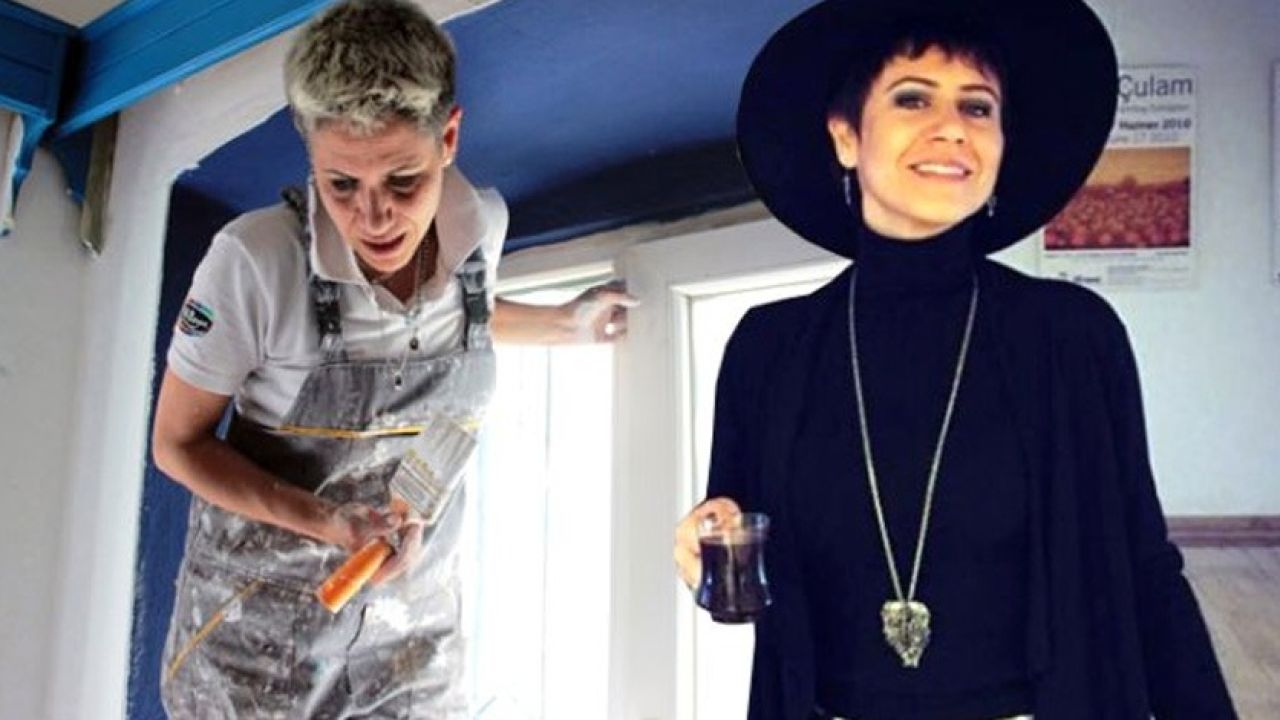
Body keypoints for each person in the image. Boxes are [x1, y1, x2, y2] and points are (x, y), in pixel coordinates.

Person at [673, 1, 1236, 718]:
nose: (952, 128)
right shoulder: (768, 348)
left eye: (978, 106)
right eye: (913, 98)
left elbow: (1146, 569)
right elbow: (736, 556)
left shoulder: (1073, 336)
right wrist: (703, 544)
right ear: (845, 135)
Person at [152, 1, 632, 716]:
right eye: (341, 185)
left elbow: (450, 322)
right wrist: (326, 520)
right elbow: (176, 444)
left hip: (411, 640)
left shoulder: (483, 230)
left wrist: (565, 325)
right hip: (255, 648)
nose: (373, 218)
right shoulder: (254, 260)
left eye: (402, 181)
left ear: (449, 137)